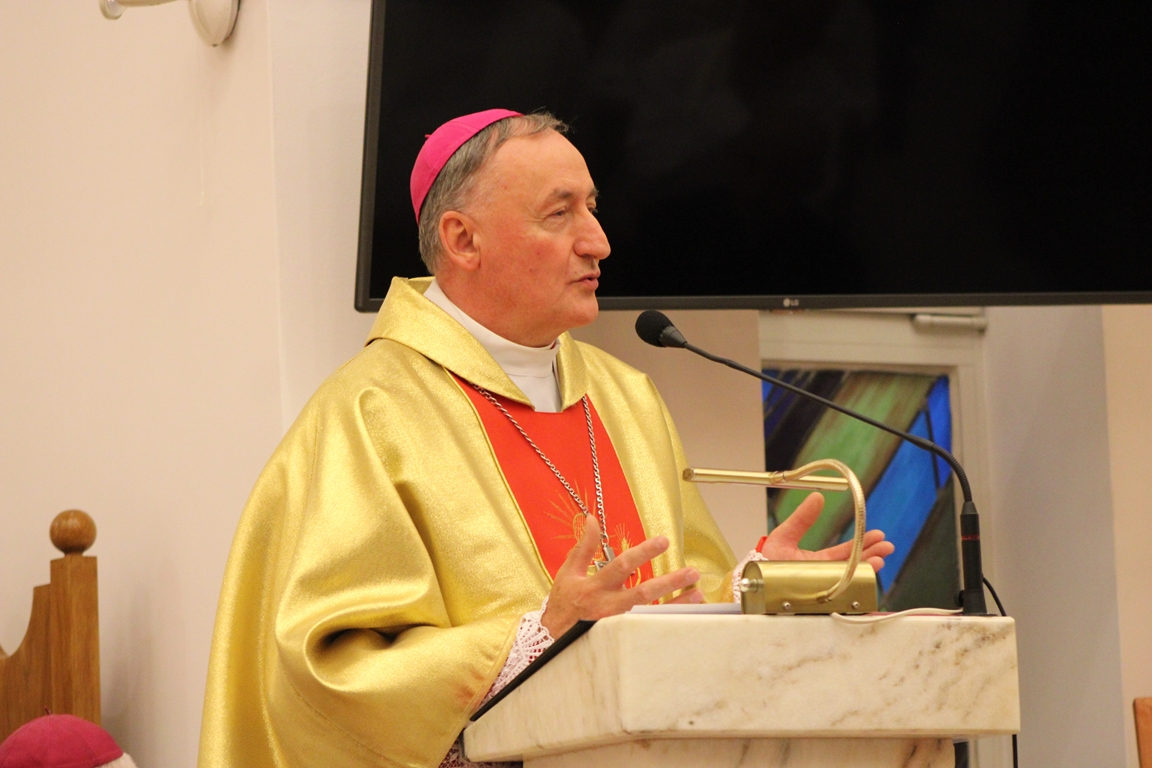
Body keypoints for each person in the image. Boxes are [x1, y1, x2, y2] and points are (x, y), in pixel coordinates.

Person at [197, 109, 893, 768]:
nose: (598, 242)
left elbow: (670, 602)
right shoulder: (368, 413)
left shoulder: (624, 397)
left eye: (592, 208)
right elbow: (323, 674)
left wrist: (753, 587)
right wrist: (544, 635)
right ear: (463, 240)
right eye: (560, 214)